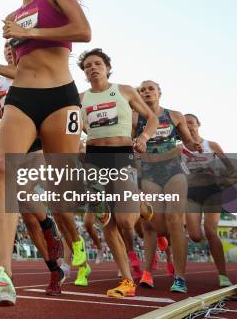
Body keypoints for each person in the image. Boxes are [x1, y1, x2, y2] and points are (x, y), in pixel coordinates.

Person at [0, 0, 91, 307]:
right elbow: (25, 67)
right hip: (23, 98)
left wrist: (32, 32)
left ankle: (79, 234)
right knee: (6, 169)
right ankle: (3, 274)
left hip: (60, 97)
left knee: (61, 190)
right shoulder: (13, 15)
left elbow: (83, 32)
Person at [0, 41, 66, 295]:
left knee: (19, 190)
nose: (11, 51)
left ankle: (48, 225)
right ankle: (54, 267)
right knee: (28, 216)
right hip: (9, 136)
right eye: (7, 49)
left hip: (36, 140)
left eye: (15, 48)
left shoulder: (34, 72)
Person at [77, 48, 158, 297]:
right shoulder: (80, 98)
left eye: (98, 63)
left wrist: (144, 136)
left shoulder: (124, 91)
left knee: (125, 221)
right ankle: (126, 281)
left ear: (108, 68)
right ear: (84, 72)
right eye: (88, 65)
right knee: (106, 221)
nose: (93, 68)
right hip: (93, 160)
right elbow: (73, 127)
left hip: (122, 154)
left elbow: (151, 118)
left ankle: (142, 207)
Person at [135, 80, 202, 293]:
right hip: (149, 174)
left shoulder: (174, 115)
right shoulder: (135, 118)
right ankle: (152, 266)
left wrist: (194, 145)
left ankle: (180, 277)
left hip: (174, 172)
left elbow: (188, 142)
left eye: (150, 88)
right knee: (156, 225)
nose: (146, 92)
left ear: (159, 92)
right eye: (142, 90)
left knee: (175, 221)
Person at [182, 113, 233, 287]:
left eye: (191, 122)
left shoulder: (211, 145)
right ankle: (208, 241)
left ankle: (223, 275)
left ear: (198, 125)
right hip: (191, 193)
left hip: (212, 191)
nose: (188, 126)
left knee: (211, 231)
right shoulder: (178, 149)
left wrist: (223, 178)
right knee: (195, 236)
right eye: (184, 123)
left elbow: (230, 169)